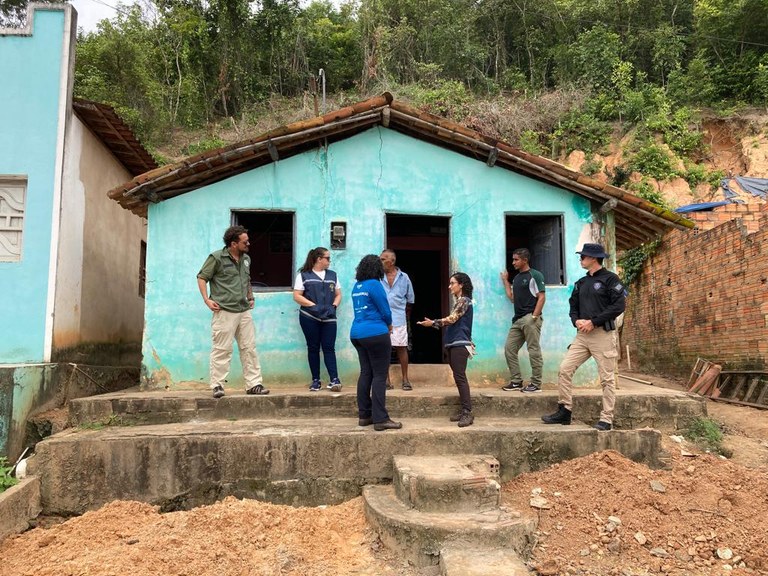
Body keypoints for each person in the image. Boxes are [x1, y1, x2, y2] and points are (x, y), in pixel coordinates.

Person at [542, 243, 626, 431]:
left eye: (583, 257)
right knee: (565, 369)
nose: (580, 259)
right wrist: (576, 321)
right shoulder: (581, 282)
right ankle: (565, 411)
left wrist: (594, 322)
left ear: (594, 258)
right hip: (582, 335)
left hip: (603, 334)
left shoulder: (611, 279)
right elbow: (573, 306)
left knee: (606, 378)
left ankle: (606, 419)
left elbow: (619, 306)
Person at [197, 225, 270, 398]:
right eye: (245, 242)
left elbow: (247, 280)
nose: (248, 244)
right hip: (224, 310)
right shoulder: (216, 258)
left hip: (243, 310)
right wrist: (206, 299)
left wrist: (250, 297)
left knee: (249, 348)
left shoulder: (246, 259)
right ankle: (217, 385)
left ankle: (254, 384)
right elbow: (201, 277)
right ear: (233, 243)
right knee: (222, 349)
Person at [350, 254, 402, 431]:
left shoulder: (357, 286)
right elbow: (385, 310)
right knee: (380, 376)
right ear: (376, 269)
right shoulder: (375, 284)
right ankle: (380, 419)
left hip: (357, 333)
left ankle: (365, 415)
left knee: (366, 373)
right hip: (375, 333)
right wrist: (389, 325)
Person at [417, 272, 475, 428]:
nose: (450, 286)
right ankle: (464, 410)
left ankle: (467, 412)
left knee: (460, 378)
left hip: (459, 344)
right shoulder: (460, 302)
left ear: (461, 285)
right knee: (458, 378)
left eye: (452, 283)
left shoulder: (464, 301)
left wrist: (433, 323)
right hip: (453, 344)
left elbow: (452, 319)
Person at [293, 247, 342, 392]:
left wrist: (333, 306)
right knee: (313, 347)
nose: (329, 261)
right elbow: (297, 296)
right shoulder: (303, 275)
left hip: (329, 317)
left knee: (329, 347)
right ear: (318, 259)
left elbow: (338, 294)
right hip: (309, 317)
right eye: (327, 258)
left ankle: (334, 379)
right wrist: (313, 306)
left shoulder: (333, 275)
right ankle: (316, 380)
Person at [500, 248, 546, 393]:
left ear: (525, 260)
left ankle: (536, 383)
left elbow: (541, 296)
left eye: (516, 260)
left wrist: (534, 316)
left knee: (533, 350)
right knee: (509, 349)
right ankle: (516, 381)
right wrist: (506, 281)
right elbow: (512, 298)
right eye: (513, 259)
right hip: (517, 320)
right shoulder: (517, 278)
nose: (513, 262)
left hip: (530, 318)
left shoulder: (535, 275)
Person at [380, 249, 415, 391]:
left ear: (392, 261)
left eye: (383, 259)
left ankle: (405, 379)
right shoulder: (377, 277)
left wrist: (404, 315)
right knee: (384, 350)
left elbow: (410, 300)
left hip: (399, 319)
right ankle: (387, 380)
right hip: (381, 320)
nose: (380, 261)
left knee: (402, 348)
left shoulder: (404, 277)